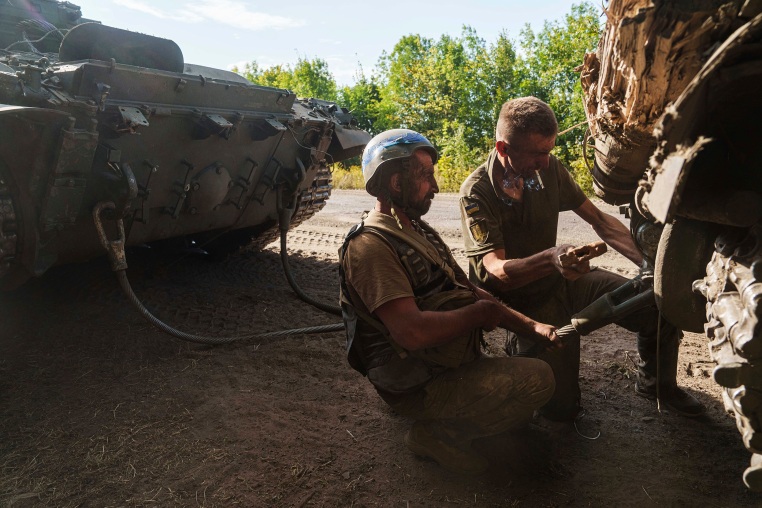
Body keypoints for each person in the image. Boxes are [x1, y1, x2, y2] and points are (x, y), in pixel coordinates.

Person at [458, 97, 705, 421]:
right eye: (537, 154)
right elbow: (494, 272)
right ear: (503, 149)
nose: (546, 162)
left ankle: (657, 385)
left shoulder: (549, 171)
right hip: (520, 302)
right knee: (561, 410)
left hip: (560, 278)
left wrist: (655, 267)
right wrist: (550, 259)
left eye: (549, 150)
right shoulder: (477, 192)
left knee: (656, 304)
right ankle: (517, 345)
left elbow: (600, 222)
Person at [339, 128, 560, 475]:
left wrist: (533, 328)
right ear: (396, 183)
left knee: (523, 404)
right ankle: (434, 434)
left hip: (436, 364)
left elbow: (471, 291)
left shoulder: (417, 230)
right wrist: (478, 315)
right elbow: (411, 332)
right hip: (415, 383)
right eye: (426, 176)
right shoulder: (371, 247)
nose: (436, 186)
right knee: (537, 381)